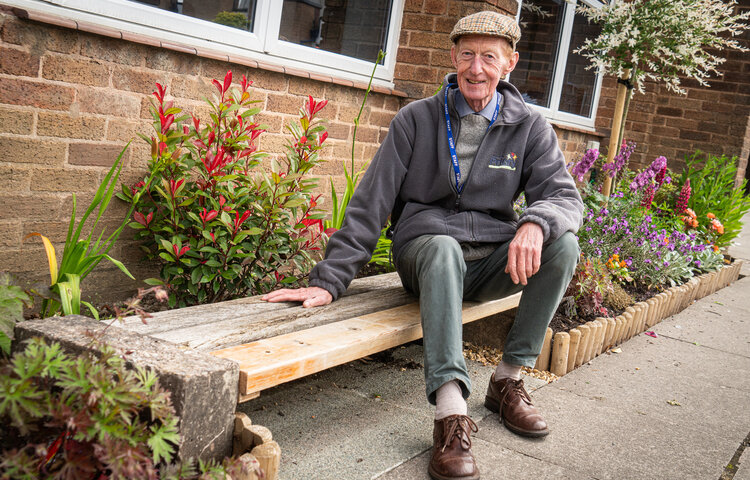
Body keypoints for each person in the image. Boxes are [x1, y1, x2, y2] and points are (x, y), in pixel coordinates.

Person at [263, 10, 583, 480]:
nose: (477, 68)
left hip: (488, 260)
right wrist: (329, 281)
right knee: (441, 248)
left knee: (564, 246)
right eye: (468, 55)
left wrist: (535, 223)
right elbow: (372, 201)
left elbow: (563, 197)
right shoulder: (416, 119)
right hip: (426, 254)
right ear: (453, 57)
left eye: (489, 57)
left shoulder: (530, 128)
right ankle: (451, 414)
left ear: (509, 63)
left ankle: (508, 380)